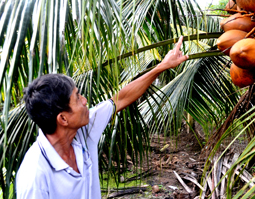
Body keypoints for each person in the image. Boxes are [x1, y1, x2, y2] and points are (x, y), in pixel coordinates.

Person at [16, 37, 188, 198]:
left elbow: (120, 99)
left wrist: (162, 66)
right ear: (63, 119)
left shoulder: (83, 130)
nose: (85, 101)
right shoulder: (35, 176)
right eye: (77, 97)